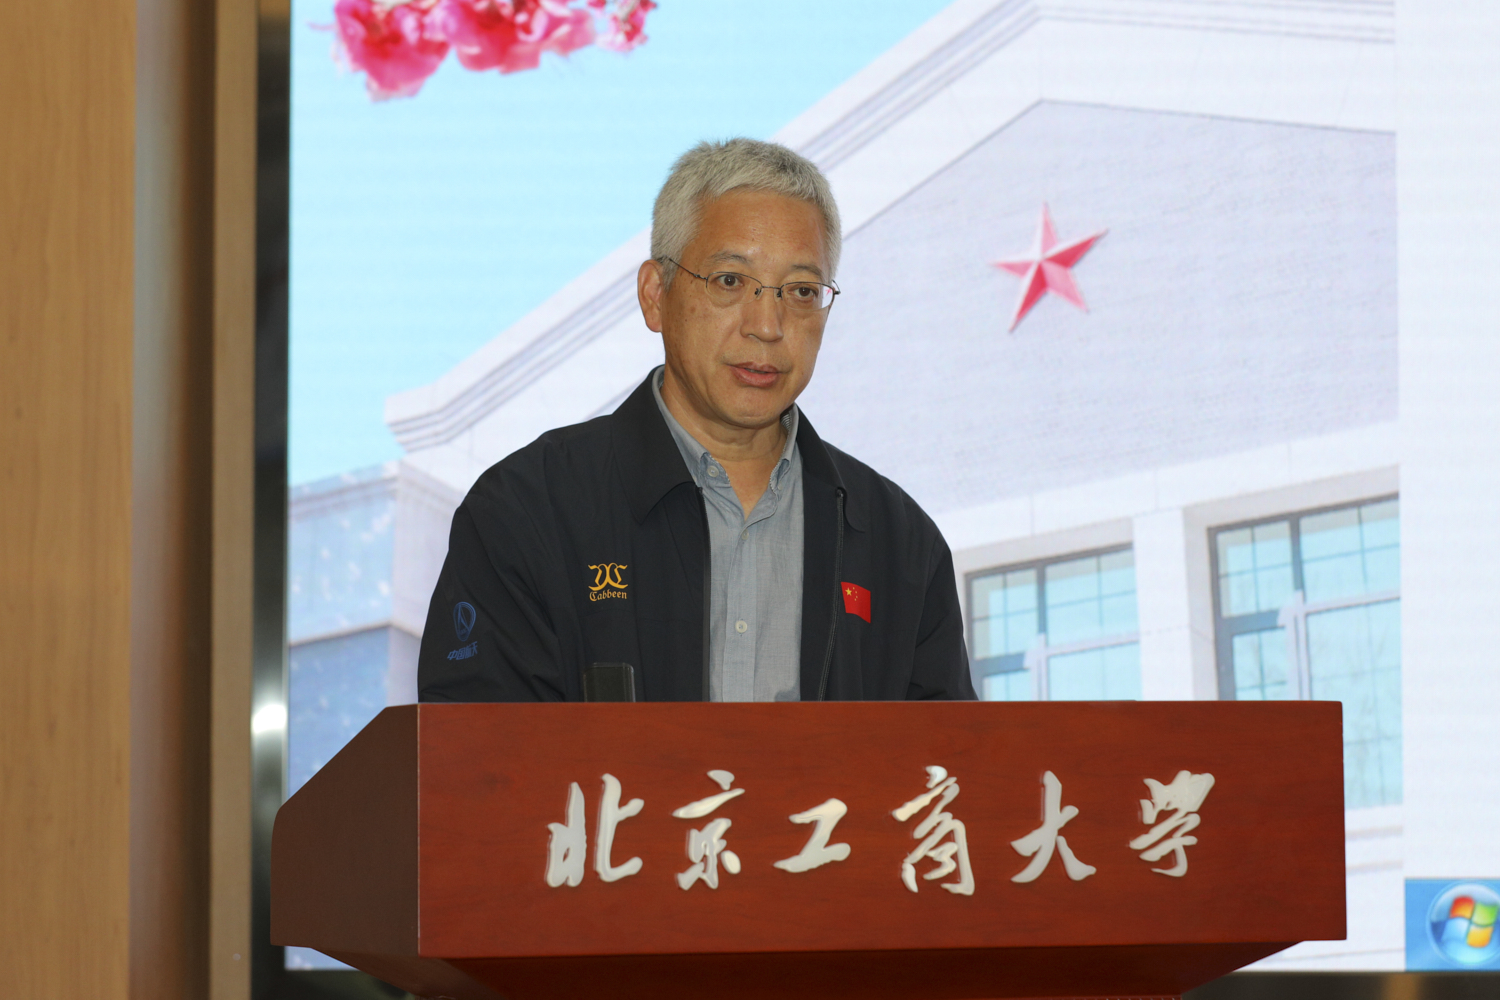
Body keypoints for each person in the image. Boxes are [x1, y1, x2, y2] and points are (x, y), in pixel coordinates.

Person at [417, 138, 975, 703]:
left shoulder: (900, 545)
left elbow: (950, 756)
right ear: (655, 295)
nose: (767, 325)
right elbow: (472, 749)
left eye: (802, 291)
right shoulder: (527, 510)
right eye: (730, 281)